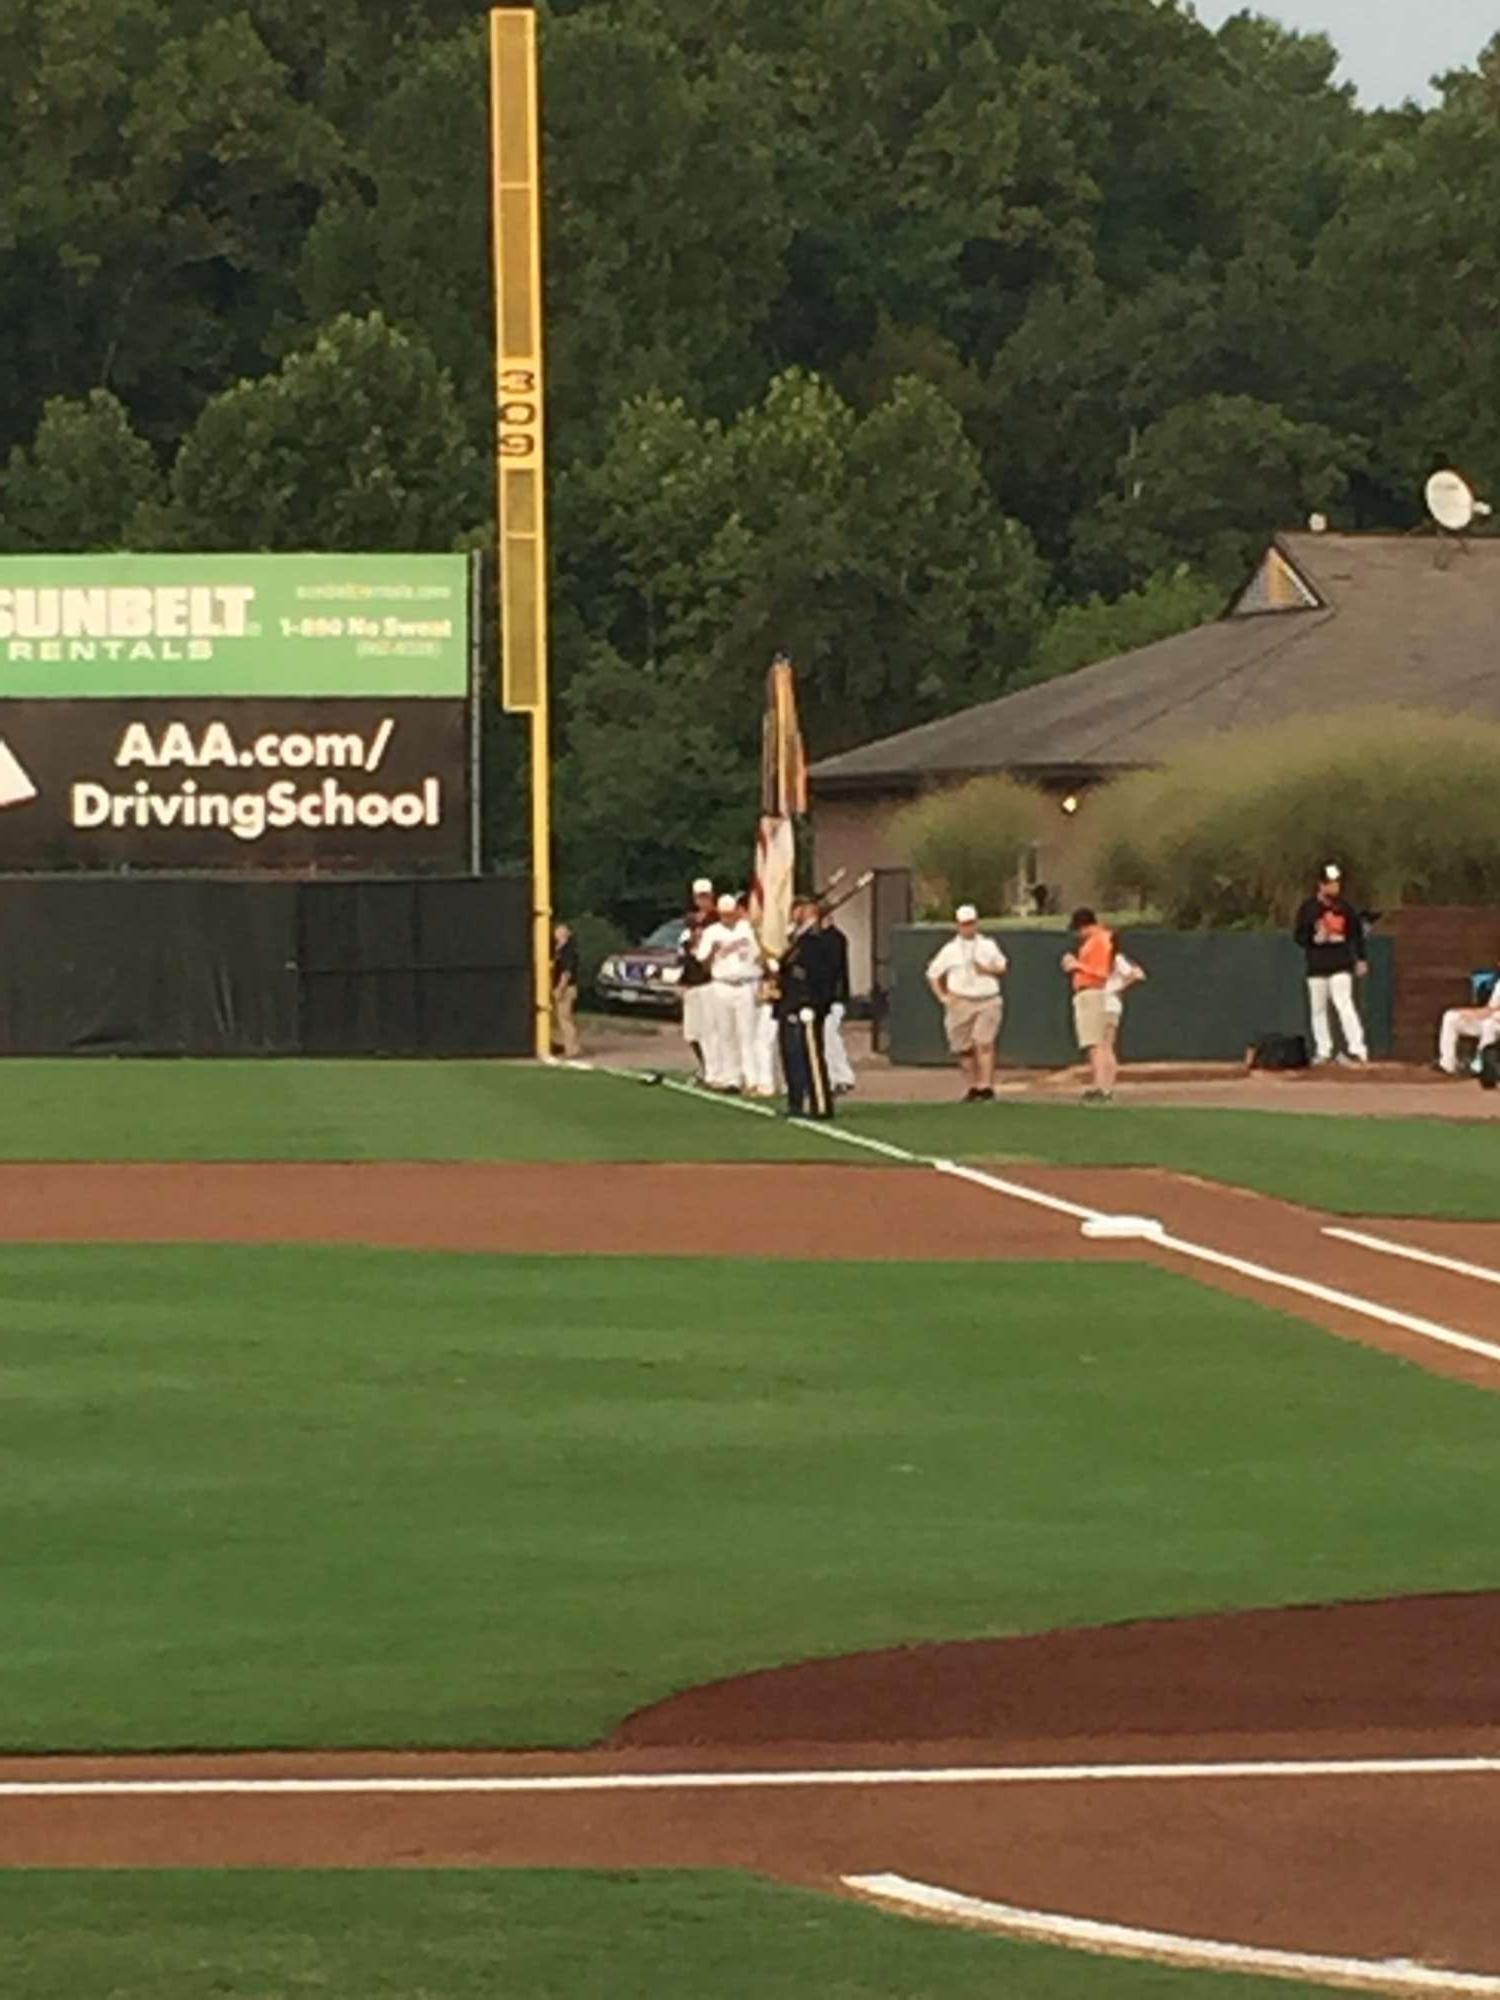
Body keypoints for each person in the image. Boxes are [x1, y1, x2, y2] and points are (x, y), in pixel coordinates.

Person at [925, 905, 1007, 1102]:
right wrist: (943, 997)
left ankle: (986, 1086)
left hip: (987, 999)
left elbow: (1002, 967)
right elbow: (933, 974)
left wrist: (986, 970)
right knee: (963, 1047)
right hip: (960, 1001)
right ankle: (972, 1086)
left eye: (971, 924)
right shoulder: (950, 949)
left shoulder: (988, 945)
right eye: (964, 924)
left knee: (984, 1042)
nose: (967, 928)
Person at [1292, 865, 1369, 1066]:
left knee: (1343, 1003)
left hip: (1340, 963)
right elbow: (1299, 936)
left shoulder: (1345, 908)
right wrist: (1313, 938)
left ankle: (1357, 1049)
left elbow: (1356, 935)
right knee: (1318, 1010)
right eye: (1330, 884)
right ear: (1321, 885)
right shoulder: (1308, 908)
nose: (1334, 888)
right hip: (1316, 965)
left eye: (1336, 883)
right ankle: (1323, 1050)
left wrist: (1360, 959)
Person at [776, 898, 843, 1118]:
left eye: (800, 910)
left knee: (812, 1056)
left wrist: (816, 1002)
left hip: (808, 1004)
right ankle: (796, 1101)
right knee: (792, 1055)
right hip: (790, 1002)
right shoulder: (797, 939)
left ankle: (820, 1104)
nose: (796, 913)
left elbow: (823, 973)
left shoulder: (819, 940)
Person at [696, 892, 763, 1093]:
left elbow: (760, 954)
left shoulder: (748, 929)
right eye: (724, 914)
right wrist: (713, 952)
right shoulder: (712, 932)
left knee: (748, 1033)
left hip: (746, 983)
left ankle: (752, 1078)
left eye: (731, 913)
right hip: (722, 984)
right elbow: (702, 960)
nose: (728, 918)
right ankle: (731, 1078)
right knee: (726, 1033)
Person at [1062, 908, 1118, 1102]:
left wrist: (1077, 965)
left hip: (1093, 992)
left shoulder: (1099, 941)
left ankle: (1102, 1088)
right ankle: (1103, 1087)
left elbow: (1101, 973)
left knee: (1096, 1044)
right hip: (1095, 993)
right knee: (1102, 1044)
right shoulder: (1099, 940)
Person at [678, 878, 717, 1081]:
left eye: (705, 896)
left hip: (708, 980)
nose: (702, 900)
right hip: (691, 980)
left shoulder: (716, 920)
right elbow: (685, 953)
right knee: (691, 1031)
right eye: (699, 897)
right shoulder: (689, 921)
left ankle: (713, 1069)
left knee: (709, 1029)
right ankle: (703, 1066)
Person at [1436, 966, 1500, 1076]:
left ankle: (1481, 1066)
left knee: (1489, 1025)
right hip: (1491, 1019)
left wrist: (1476, 1013)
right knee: (1451, 1017)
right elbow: (1490, 1008)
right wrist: (1466, 1013)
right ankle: (1447, 1064)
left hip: (1494, 1024)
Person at [820, 907, 857, 1095]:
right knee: (827, 1037)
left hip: (833, 997)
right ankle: (836, 1075)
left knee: (829, 1036)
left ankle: (840, 1076)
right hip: (823, 998)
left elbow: (831, 969)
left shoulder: (835, 939)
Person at [550, 920, 580, 1060]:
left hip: (567, 988)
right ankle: (567, 1047)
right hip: (562, 987)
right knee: (561, 1018)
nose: (557, 932)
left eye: (561, 930)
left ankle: (572, 1050)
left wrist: (560, 989)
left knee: (565, 1019)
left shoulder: (568, 951)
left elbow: (566, 972)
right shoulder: (558, 949)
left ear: (567, 933)